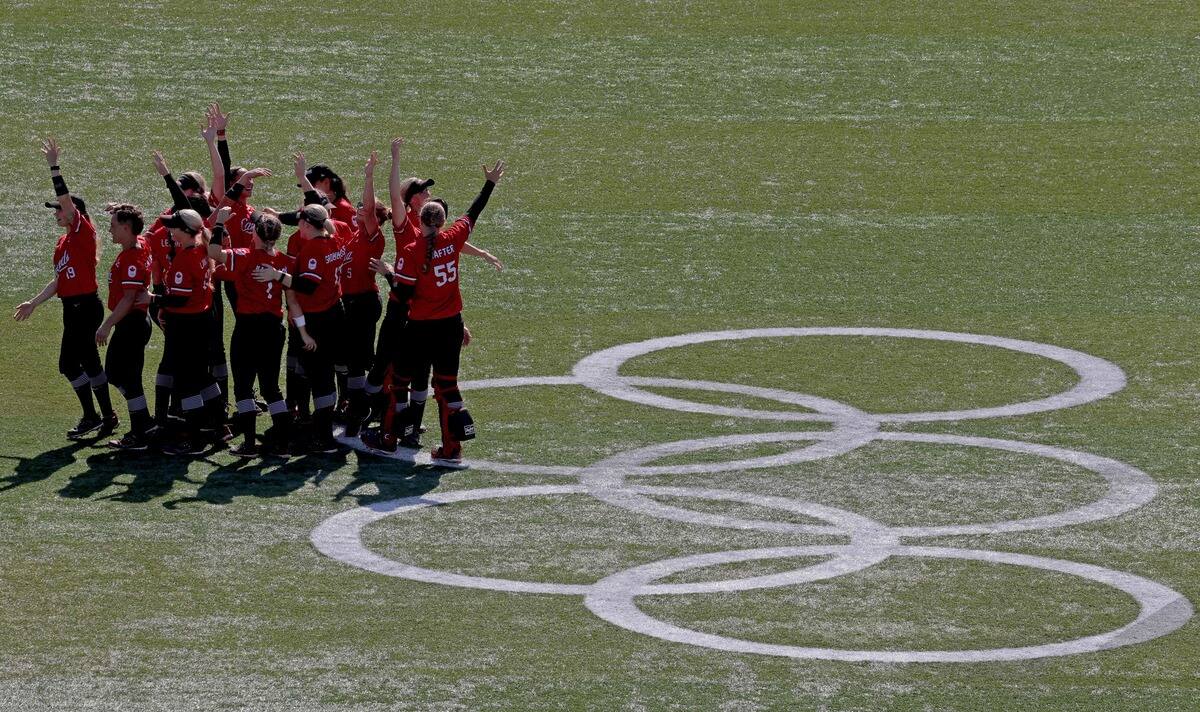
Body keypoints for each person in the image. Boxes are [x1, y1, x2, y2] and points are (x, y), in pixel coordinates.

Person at [367, 158, 506, 465]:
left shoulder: (411, 251)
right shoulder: (454, 238)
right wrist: (490, 183)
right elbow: (474, 212)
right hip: (451, 326)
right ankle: (451, 449)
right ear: (442, 222)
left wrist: (389, 275)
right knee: (447, 385)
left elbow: (402, 295)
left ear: (422, 220)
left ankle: (389, 438)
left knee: (399, 380)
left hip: (419, 328)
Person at [13, 139, 117, 439]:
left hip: (86, 306)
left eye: (59, 210)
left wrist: (53, 166)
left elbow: (66, 199)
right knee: (82, 363)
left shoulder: (83, 232)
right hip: (71, 308)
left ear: (74, 213)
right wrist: (34, 303)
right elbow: (60, 281)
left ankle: (96, 416)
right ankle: (102, 416)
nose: (56, 213)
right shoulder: (62, 244)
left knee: (71, 363)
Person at [207, 208, 311, 456]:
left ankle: (250, 444)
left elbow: (213, 252)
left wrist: (219, 223)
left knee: (243, 386)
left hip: (248, 328)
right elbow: (293, 300)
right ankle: (284, 443)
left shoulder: (244, 255)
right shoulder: (286, 262)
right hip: (275, 329)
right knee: (271, 387)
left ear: (254, 233)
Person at [252, 203, 347, 453]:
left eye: (300, 223)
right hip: (335, 311)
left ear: (306, 225)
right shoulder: (334, 240)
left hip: (319, 318)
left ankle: (323, 435)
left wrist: (277, 276)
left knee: (320, 376)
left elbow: (307, 286)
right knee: (321, 372)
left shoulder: (314, 249)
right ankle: (315, 427)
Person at [145, 209, 217, 455]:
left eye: (174, 227)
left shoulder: (185, 258)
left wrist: (153, 299)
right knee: (202, 377)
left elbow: (179, 300)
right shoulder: (201, 249)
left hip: (187, 326)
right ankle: (218, 425)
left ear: (186, 231)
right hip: (201, 321)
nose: (170, 230)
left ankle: (194, 440)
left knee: (187, 384)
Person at [96, 203, 154, 450]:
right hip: (134, 322)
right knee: (125, 377)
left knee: (122, 376)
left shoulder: (132, 259)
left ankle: (140, 432)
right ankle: (144, 425)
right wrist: (120, 207)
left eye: (113, 226)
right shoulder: (140, 243)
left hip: (131, 323)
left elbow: (128, 299)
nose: (109, 231)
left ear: (126, 227)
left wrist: (106, 326)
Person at [338, 151, 387, 437]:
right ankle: (365, 404)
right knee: (353, 360)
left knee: (357, 362)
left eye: (364, 210)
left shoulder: (373, 236)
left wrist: (369, 177)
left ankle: (361, 410)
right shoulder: (354, 235)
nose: (359, 209)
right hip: (350, 303)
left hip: (364, 303)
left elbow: (369, 209)